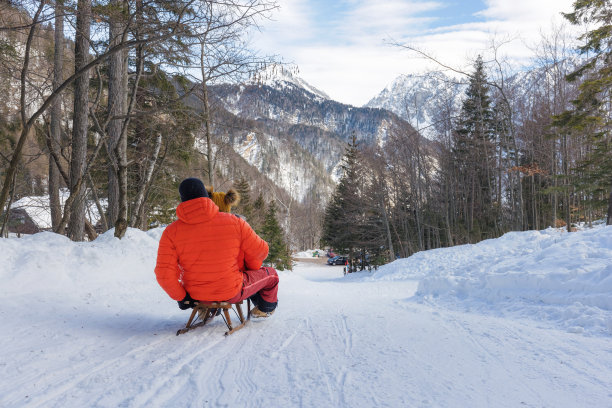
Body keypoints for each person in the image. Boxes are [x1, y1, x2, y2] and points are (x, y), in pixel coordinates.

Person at [155, 177, 279, 317]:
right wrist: (251, 268)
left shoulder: (171, 232)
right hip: (231, 291)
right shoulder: (235, 222)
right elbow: (261, 251)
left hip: (196, 295)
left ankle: (208, 309)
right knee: (272, 275)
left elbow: (164, 274)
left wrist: (182, 297)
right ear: (205, 195)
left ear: (182, 199)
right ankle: (265, 309)